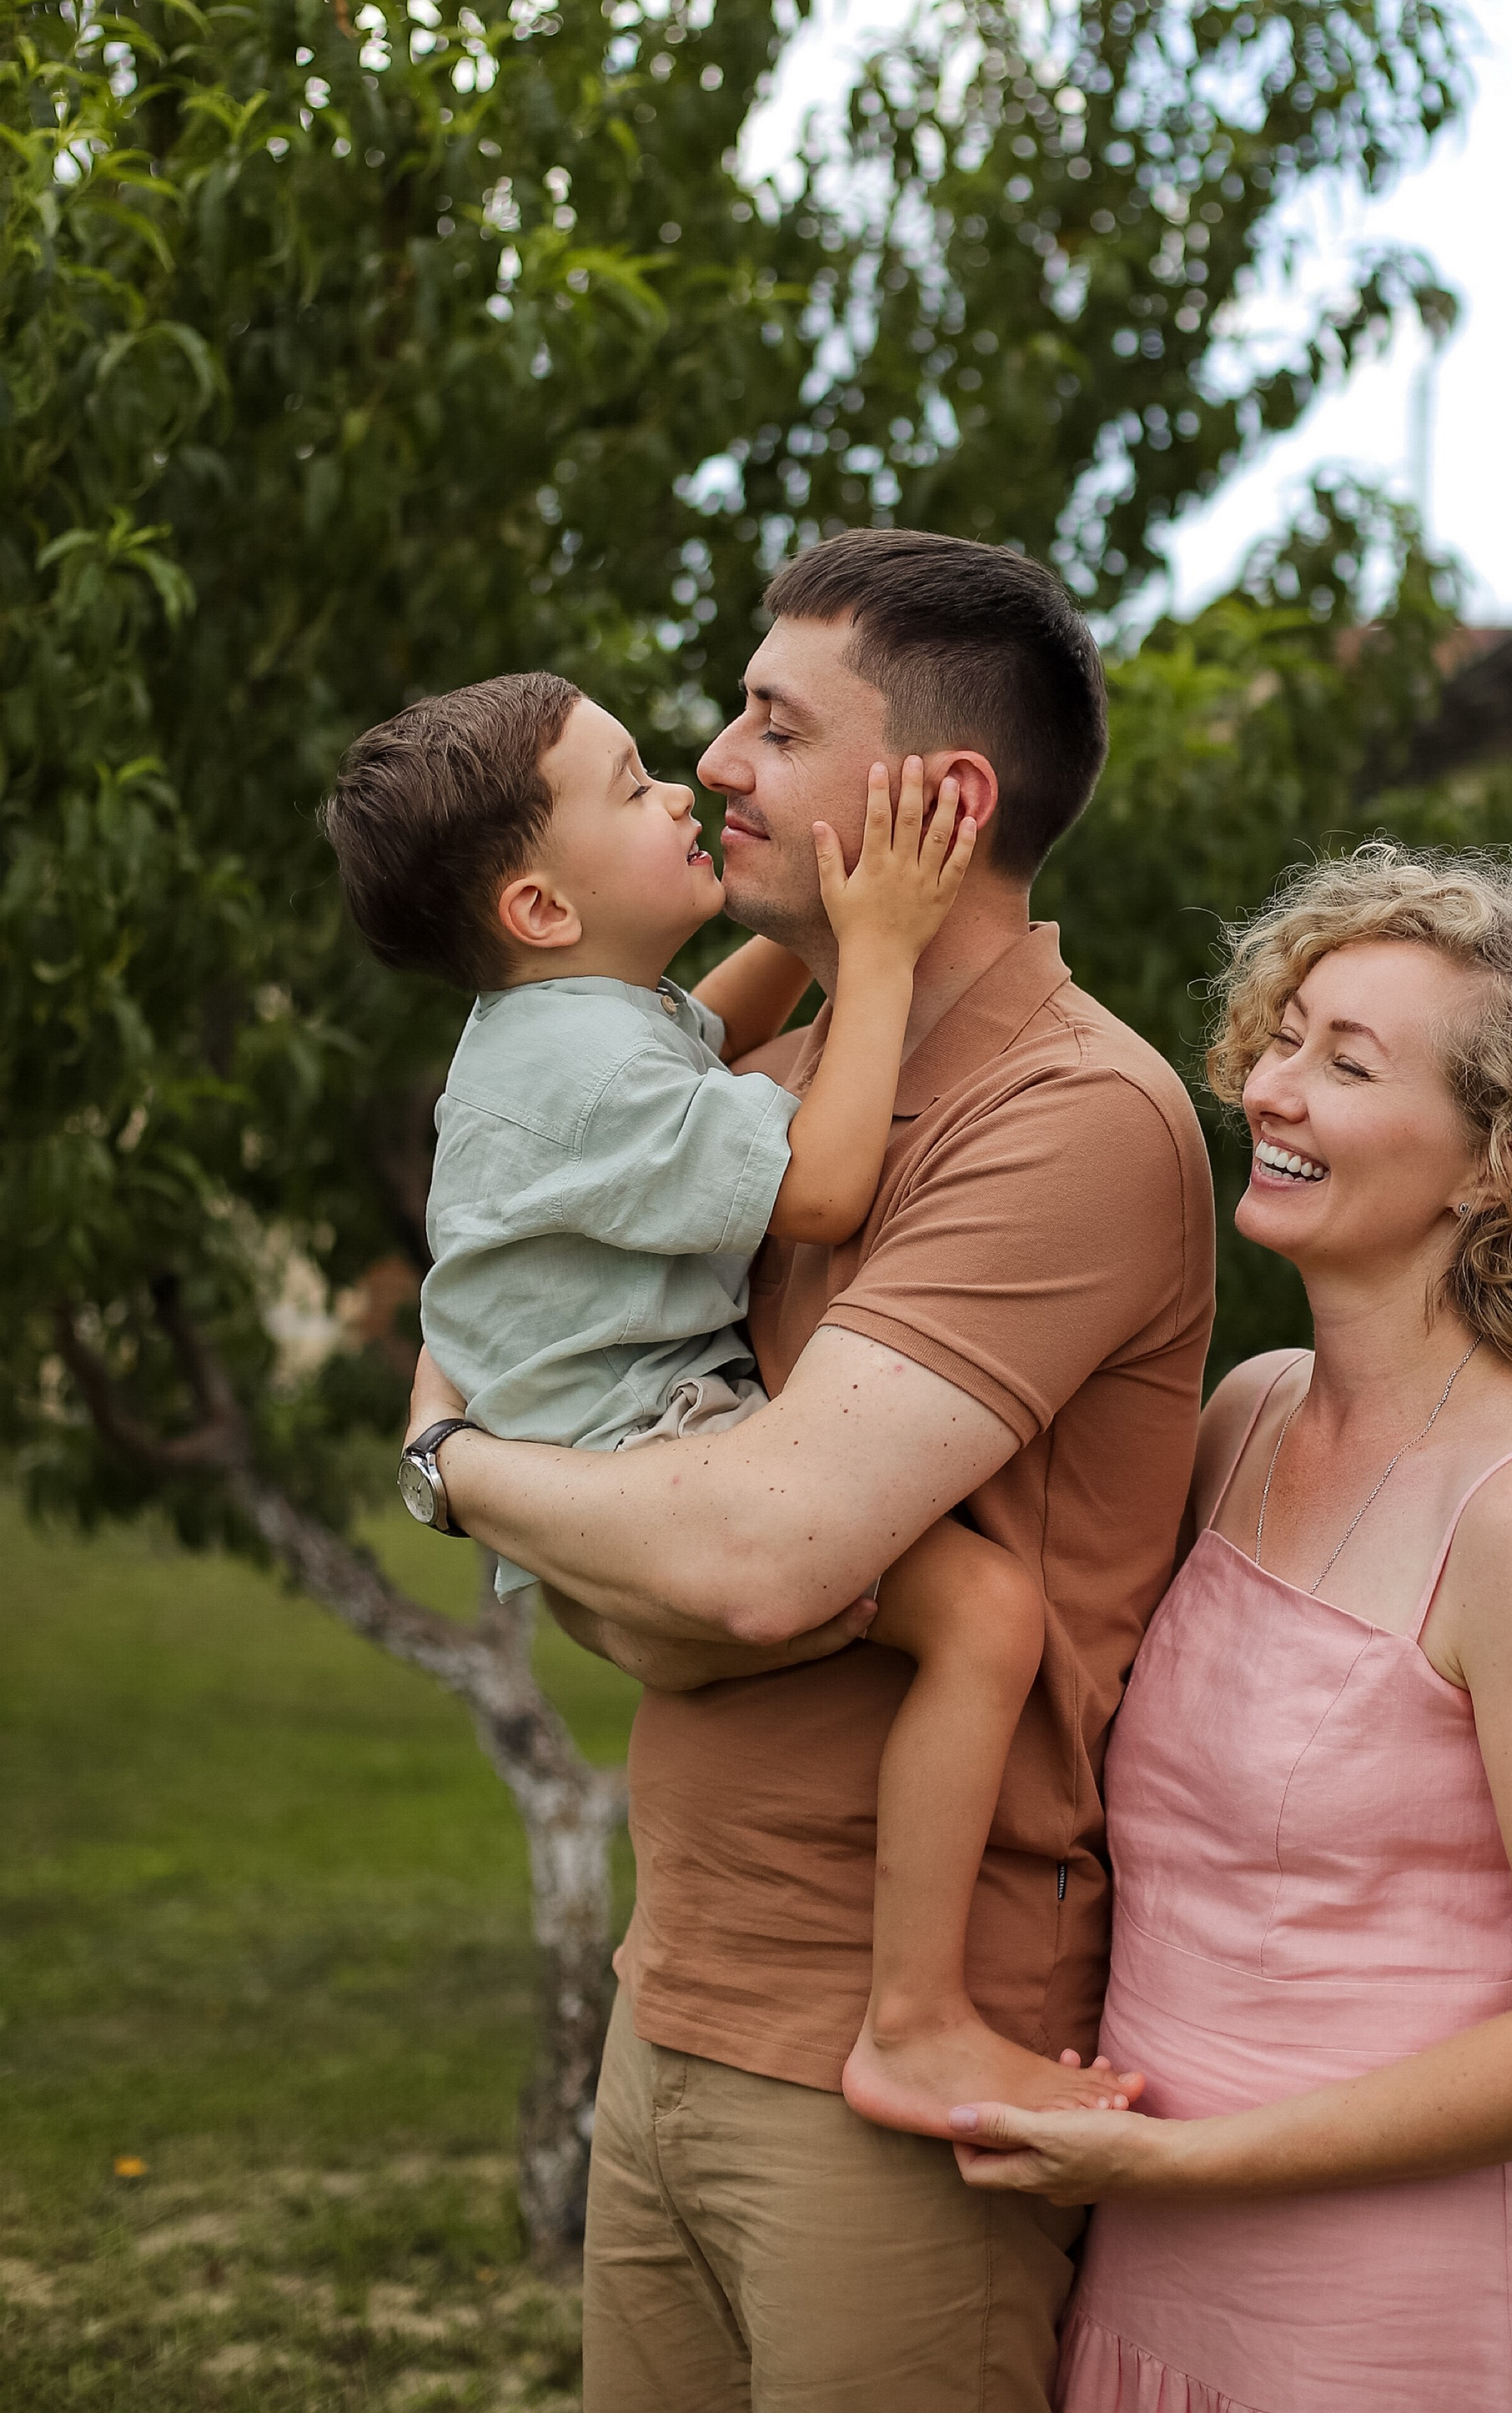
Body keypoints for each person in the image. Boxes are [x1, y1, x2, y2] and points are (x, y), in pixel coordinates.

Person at [400, 530, 1217, 2413]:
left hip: (879, 2066)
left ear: (937, 797)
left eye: (775, 723)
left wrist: (451, 1465)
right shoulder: (766, 1088)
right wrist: (569, 1503)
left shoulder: (1072, 1118)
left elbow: (751, 1566)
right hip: (676, 1995)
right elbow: (633, 1551)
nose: (712, 763)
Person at [950, 847, 1512, 2413]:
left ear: (1494, 1164)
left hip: (1388, 2322)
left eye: (1344, 1063)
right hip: (1154, 2272)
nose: (1270, 1090)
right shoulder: (1243, 1415)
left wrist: (1181, 2158)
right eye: (1281, 1037)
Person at [326, 667, 1115, 2138]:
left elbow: (703, 1024)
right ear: (542, 911)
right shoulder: (583, 1068)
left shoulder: (573, 1025)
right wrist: (875, 950)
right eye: (630, 788)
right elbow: (819, 1186)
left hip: (575, 1491)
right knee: (991, 1617)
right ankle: (920, 2021)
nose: (684, 786)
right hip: (653, 1465)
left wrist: (827, 928)